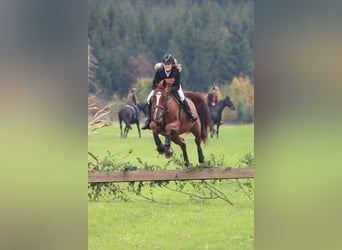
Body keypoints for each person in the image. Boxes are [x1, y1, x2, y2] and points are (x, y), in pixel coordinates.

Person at [142, 54, 197, 130]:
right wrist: (158, 90)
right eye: (165, 64)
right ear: (163, 64)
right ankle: (149, 120)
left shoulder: (176, 72)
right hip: (160, 89)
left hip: (174, 88)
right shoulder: (159, 71)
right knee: (149, 99)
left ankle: (190, 114)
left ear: (172, 64)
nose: (167, 66)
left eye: (168, 64)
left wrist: (169, 90)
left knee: (181, 97)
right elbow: (154, 84)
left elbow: (177, 86)